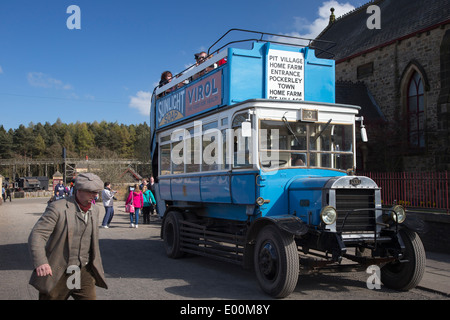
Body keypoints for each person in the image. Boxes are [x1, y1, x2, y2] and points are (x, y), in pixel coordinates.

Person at [28, 172, 108, 300]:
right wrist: (41, 262)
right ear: (79, 190)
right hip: (58, 271)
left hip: (83, 271)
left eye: (96, 192)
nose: (95, 196)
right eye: (91, 192)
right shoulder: (57, 208)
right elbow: (37, 234)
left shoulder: (95, 210)